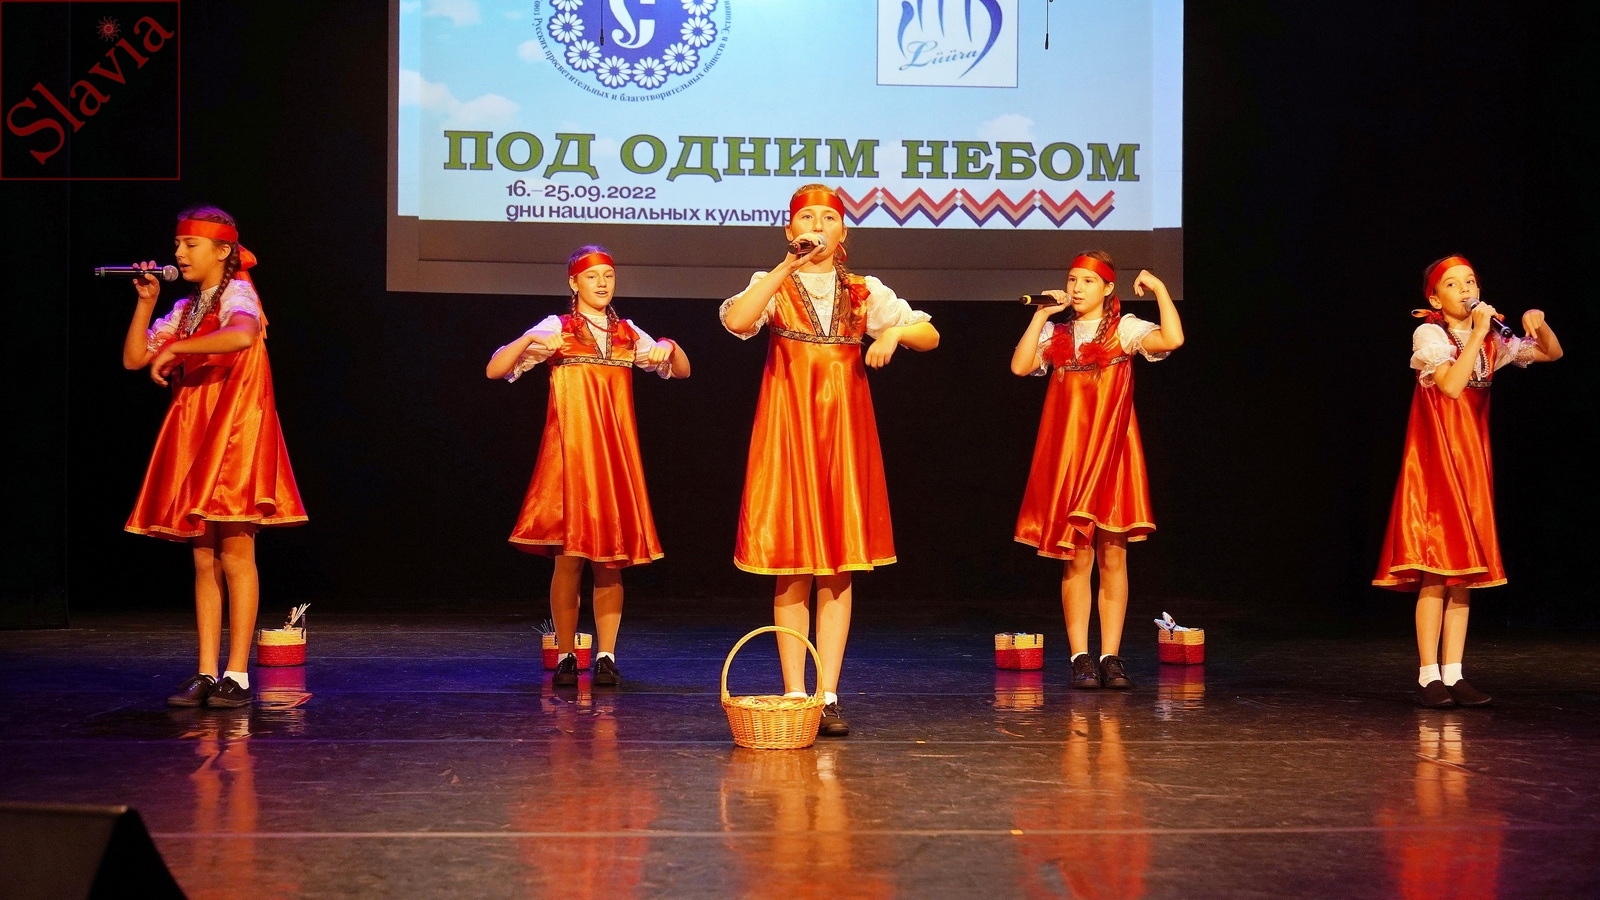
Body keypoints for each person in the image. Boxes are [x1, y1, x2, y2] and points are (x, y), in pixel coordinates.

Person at [720, 183, 939, 736]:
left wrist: (894, 332)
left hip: (842, 432)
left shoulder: (865, 290)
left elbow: (929, 334)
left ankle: (828, 693)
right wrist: (784, 267)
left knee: (837, 567)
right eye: (806, 218)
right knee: (791, 563)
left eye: (828, 218)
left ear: (843, 233)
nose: (816, 226)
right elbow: (738, 322)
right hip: (788, 428)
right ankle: (795, 692)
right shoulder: (773, 282)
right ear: (790, 230)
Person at [123, 207, 307, 709]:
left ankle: (238, 674)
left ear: (223, 251)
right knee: (203, 556)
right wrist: (147, 303)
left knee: (235, 553)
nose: (179, 253)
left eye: (190, 245)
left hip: (234, 431)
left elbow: (242, 334)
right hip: (197, 431)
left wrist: (177, 350)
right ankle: (206, 670)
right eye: (177, 244)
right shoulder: (187, 307)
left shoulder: (238, 294)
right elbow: (135, 358)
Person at [487, 246, 690, 687]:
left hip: (613, 458)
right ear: (573, 282)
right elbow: (495, 369)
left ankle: (606, 656)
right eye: (592, 276)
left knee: (609, 562)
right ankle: (565, 654)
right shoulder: (556, 328)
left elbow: (681, 370)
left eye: (609, 276)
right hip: (571, 458)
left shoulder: (626, 332)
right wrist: (529, 341)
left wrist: (668, 347)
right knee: (569, 561)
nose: (602, 283)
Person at [1373, 256, 1561, 707]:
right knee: (1436, 570)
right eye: (1453, 284)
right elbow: (1452, 387)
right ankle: (1428, 676)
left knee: (1464, 575)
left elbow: (1550, 353)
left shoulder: (1493, 338)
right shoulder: (1431, 335)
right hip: (1436, 461)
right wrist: (1478, 333)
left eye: (1471, 281)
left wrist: (1538, 323)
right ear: (1436, 299)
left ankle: (1454, 673)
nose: (1465, 289)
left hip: (1471, 461)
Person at [1009, 251, 1183, 690]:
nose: (1077, 288)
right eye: (1072, 279)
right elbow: (1020, 366)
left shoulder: (1124, 330)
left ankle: (1110, 656)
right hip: (1071, 457)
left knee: (1113, 555)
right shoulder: (1057, 333)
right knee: (1077, 557)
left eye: (1087, 281)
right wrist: (1041, 316)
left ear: (1107, 289)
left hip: (1113, 454)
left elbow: (1172, 339)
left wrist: (1160, 288)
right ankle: (1080, 657)